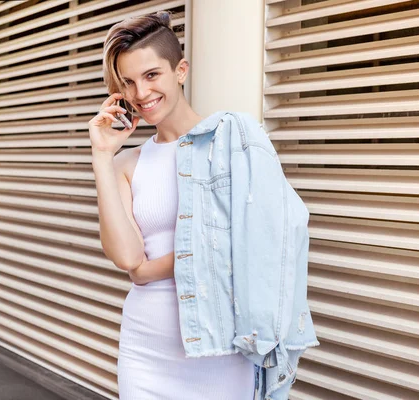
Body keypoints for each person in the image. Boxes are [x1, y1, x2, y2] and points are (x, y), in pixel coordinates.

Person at [88, 11, 256, 400]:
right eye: (128, 83)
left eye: (151, 75)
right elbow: (128, 258)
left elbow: (245, 244)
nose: (141, 93)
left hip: (218, 344)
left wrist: (150, 270)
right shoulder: (126, 163)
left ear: (180, 70)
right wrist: (101, 157)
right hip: (145, 348)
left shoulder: (230, 144)